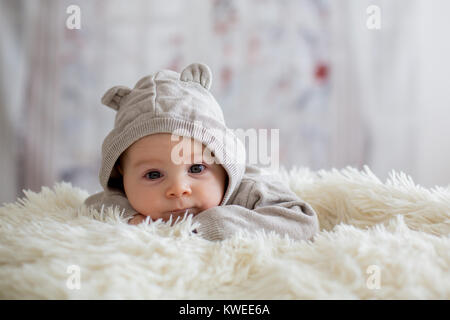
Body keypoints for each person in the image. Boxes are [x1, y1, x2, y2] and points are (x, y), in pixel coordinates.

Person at [84, 63, 319, 241]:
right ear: (121, 176)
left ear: (224, 163)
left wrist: (217, 224)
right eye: (153, 175)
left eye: (196, 168)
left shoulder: (250, 189)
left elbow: (302, 221)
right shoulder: (125, 197)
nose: (178, 190)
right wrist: (131, 218)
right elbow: (94, 204)